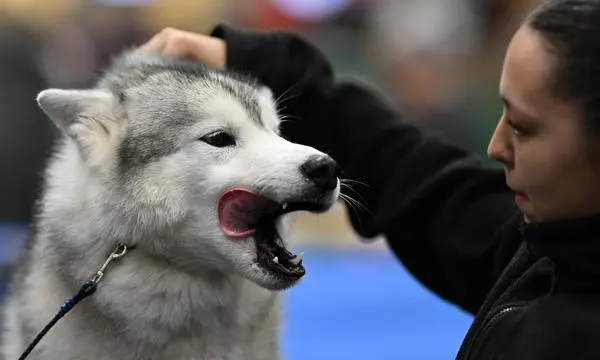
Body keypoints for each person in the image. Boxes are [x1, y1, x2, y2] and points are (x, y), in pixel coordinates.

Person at [138, 0, 600, 358]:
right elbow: (420, 181)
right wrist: (255, 65)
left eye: (522, 126)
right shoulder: (545, 252)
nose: (497, 146)